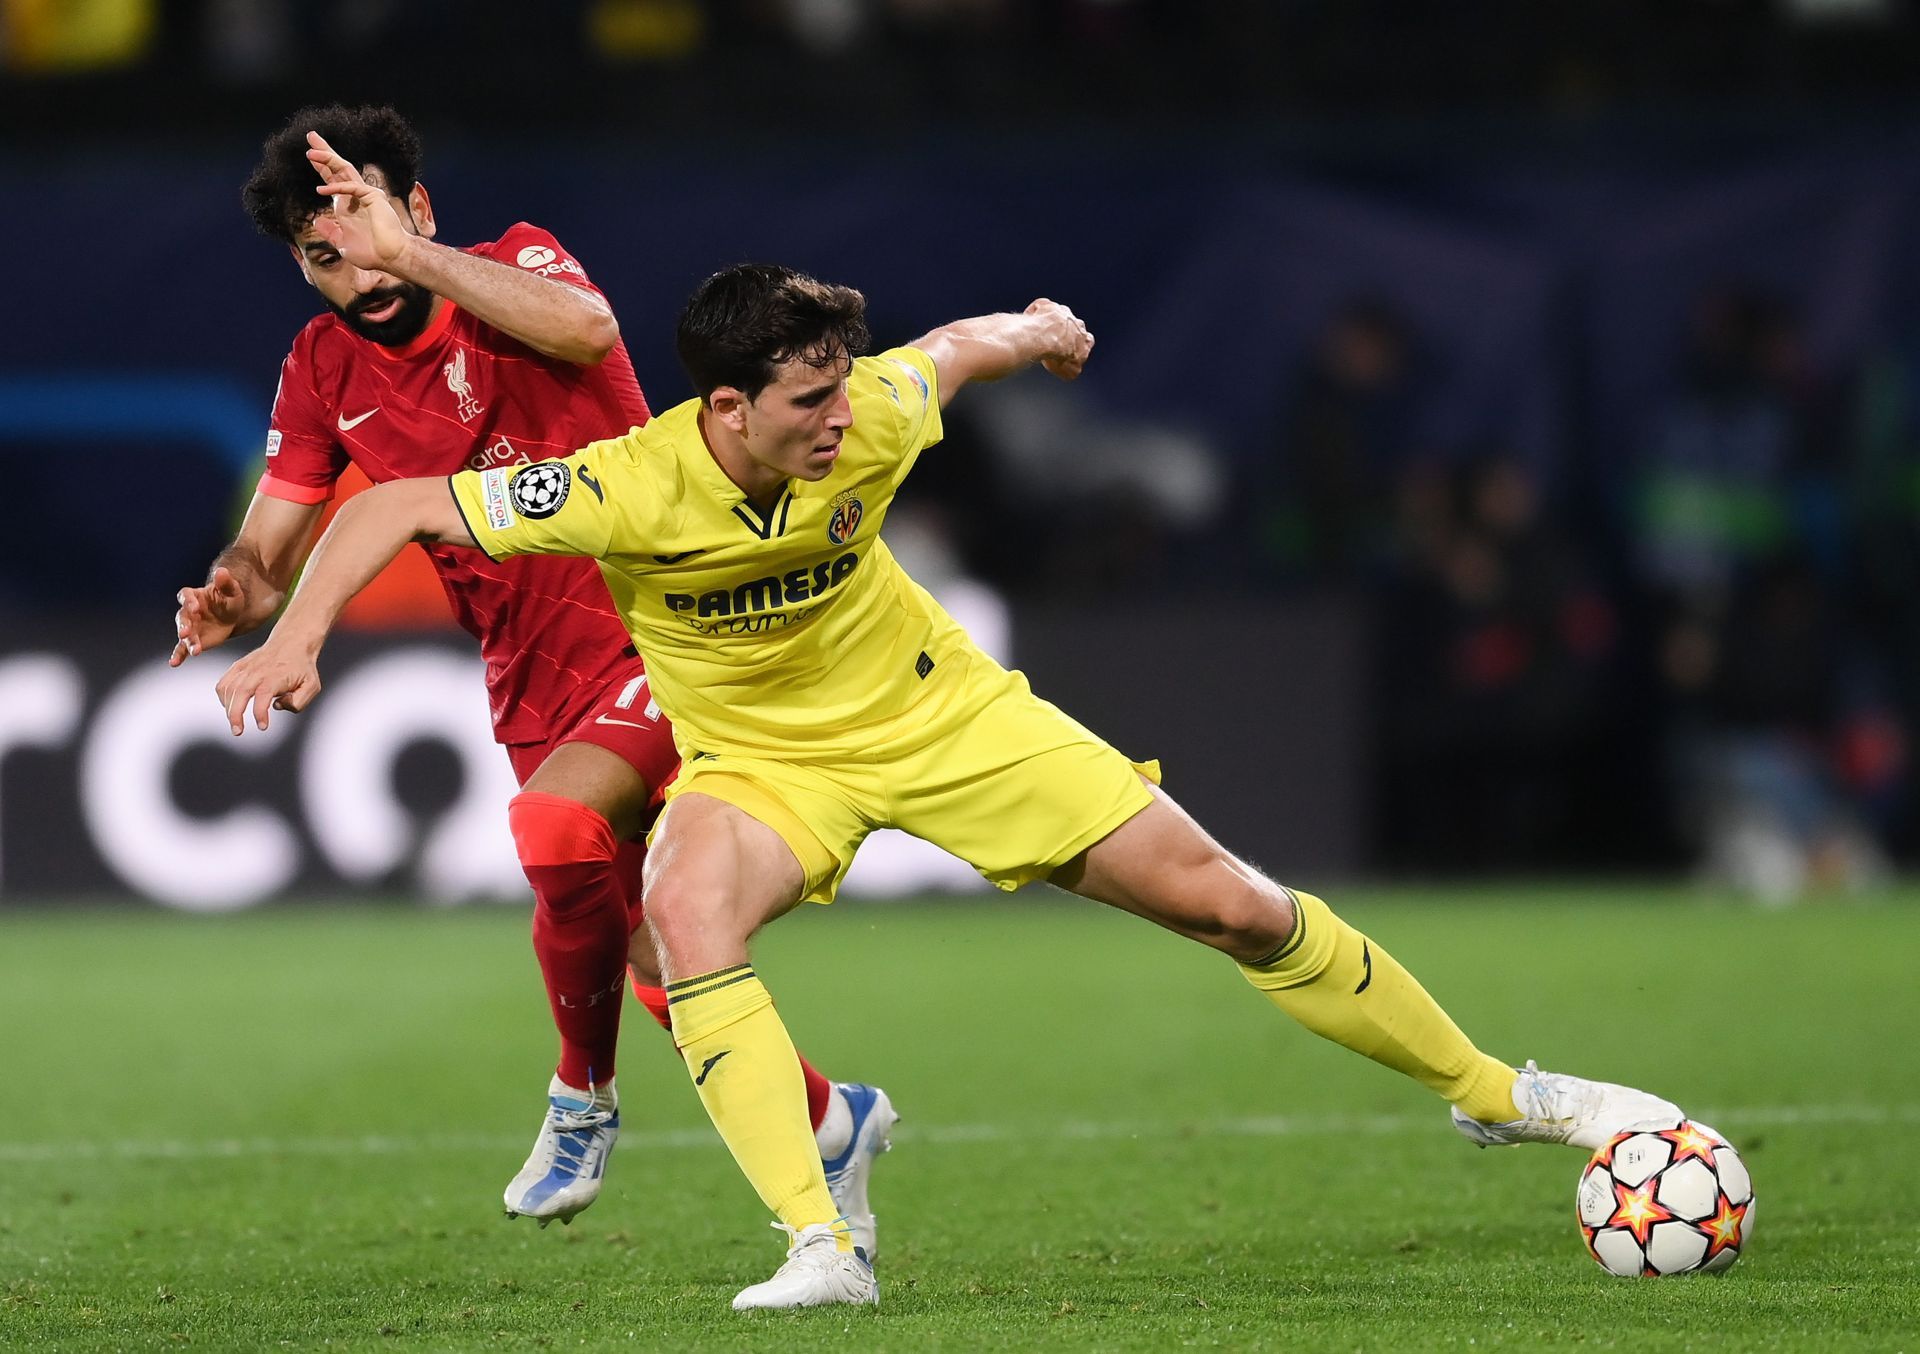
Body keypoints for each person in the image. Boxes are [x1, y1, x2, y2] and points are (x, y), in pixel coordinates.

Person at [214, 263, 1688, 1312]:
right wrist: (296, 635)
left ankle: (1504, 1094)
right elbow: (401, 501)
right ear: (725, 407)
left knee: (1233, 906)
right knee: (686, 898)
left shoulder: (879, 408)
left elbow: (955, 347)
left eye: (843, 389)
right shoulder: (626, 482)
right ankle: (821, 1240)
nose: (839, 419)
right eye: (805, 400)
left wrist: (1039, 329)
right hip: (767, 763)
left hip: (950, 719)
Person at [171, 111, 893, 1248]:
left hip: (666, 632)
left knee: (556, 834)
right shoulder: (319, 370)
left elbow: (589, 324)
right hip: (528, 671)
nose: (352, 268)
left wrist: (405, 254)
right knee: (650, 943)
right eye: (320, 254)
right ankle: (831, 1120)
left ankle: (579, 1100)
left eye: (365, 227)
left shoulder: (516, 265)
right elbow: (268, 554)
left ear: (418, 209)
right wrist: (233, 591)